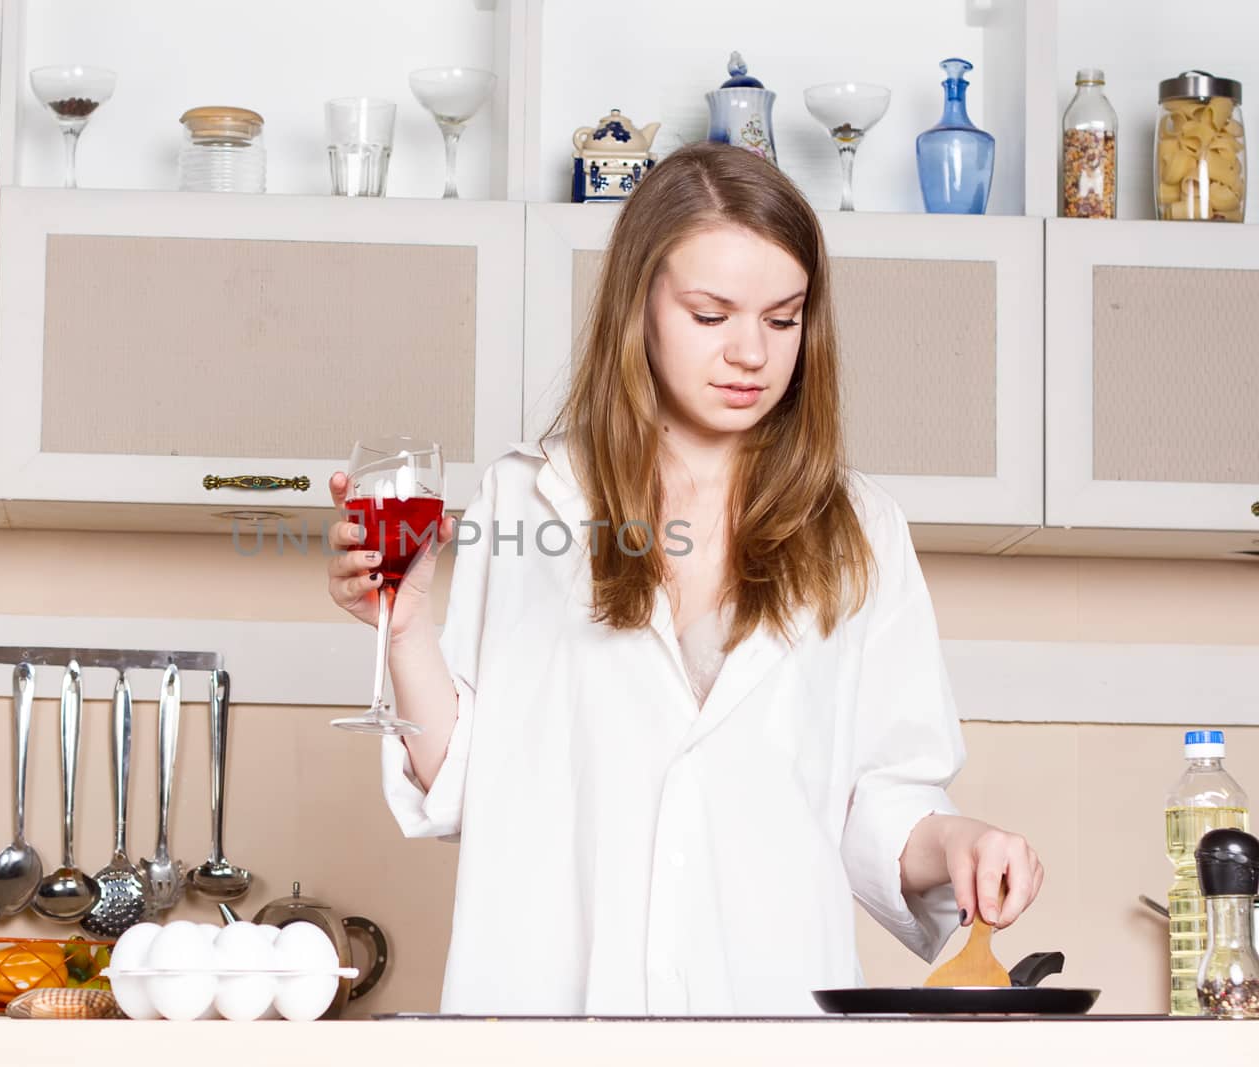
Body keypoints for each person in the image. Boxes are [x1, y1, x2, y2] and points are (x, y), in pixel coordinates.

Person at [324, 142, 1043, 1015]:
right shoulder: (530, 498)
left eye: (783, 320)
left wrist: (962, 841)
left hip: (770, 1015)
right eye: (712, 314)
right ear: (640, 307)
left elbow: (878, 801)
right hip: (554, 1016)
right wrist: (404, 630)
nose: (752, 353)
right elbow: (465, 779)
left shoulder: (861, 531)